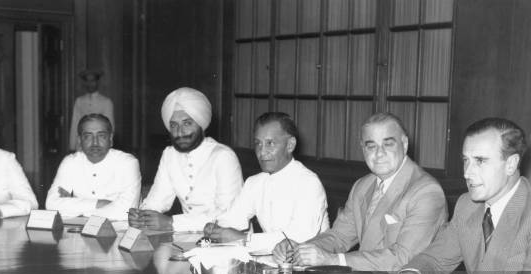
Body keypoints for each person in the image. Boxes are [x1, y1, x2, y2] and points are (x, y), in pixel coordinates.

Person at [398, 117, 531, 274]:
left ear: (511, 164)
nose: (467, 172)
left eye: (480, 161)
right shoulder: (467, 204)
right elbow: (436, 258)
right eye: (466, 160)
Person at [273, 112, 447, 271]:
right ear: (362, 148)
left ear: (405, 144)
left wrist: (333, 260)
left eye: (388, 144)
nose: (379, 153)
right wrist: (298, 249)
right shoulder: (362, 186)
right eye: (371, 146)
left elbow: (403, 259)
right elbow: (339, 236)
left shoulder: (426, 192)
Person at [203, 112, 329, 249]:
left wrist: (245, 239)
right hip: (271, 262)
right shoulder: (255, 182)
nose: (262, 152)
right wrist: (217, 227)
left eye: (270, 143)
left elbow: (300, 237)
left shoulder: (308, 183)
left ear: (290, 145)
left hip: (309, 265)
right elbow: (234, 218)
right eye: (258, 144)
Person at [129, 87, 242, 231]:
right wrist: (142, 215)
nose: (180, 132)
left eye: (187, 123)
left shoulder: (223, 157)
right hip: (188, 238)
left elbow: (228, 214)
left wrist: (172, 223)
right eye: (174, 125)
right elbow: (156, 200)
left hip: (227, 240)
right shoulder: (170, 155)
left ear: (201, 124)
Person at [46, 113, 140, 220]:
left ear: (111, 138)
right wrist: (100, 203)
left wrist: (74, 208)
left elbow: (127, 212)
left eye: (101, 136)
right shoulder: (70, 163)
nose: (95, 142)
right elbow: (51, 204)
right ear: (79, 140)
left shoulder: (127, 163)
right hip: (77, 231)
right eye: (88, 136)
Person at [68, 69, 114, 151]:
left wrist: (108, 145)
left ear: (97, 82)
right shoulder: (79, 101)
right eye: (87, 81)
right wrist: (72, 146)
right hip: (82, 144)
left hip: (99, 144)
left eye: (92, 81)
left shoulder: (106, 102)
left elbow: (110, 126)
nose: (90, 84)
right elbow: (75, 124)